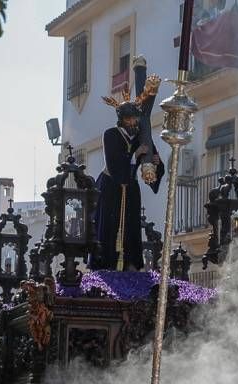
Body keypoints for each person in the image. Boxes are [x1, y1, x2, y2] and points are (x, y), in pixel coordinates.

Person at [94, 56, 164, 272]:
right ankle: (107, 267)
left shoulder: (141, 137)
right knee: (109, 230)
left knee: (132, 230)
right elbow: (115, 167)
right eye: (130, 120)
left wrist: (156, 163)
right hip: (110, 190)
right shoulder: (111, 135)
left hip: (131, 191)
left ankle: (132, 265)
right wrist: (135, 155)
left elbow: (150, 166)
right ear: (121, 119)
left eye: (136, 119)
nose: (134, 123)